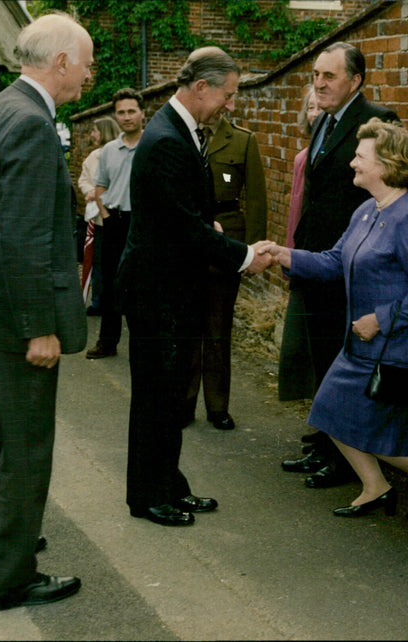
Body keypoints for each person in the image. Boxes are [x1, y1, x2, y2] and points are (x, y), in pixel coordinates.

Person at [0, 12, 92, 611]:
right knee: (28, 446)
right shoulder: (33, 123)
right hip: (15, 318)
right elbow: (26, 237)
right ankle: (9, 576)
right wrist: (40, 328)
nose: (88, 74)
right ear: (60, 62)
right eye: (84, 63)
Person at [268, 118, 408, 520]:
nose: (352, 162)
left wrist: (380, 320)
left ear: (386, 164)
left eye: (360, 156)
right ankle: (376, 486)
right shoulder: (366, 210)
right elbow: (335, 261)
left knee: (392, 441)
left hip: (398, 347)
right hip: (361, 345)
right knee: (329, 411)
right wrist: (284, 255)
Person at [119, 46, 273, 527]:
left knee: (167, 395)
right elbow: (181, 228)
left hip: (169, 284)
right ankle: (148, 496)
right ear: (201, 87)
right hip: (157, 290)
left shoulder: (177, 130)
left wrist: (210, 226)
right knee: (157, 397)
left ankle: (168, 484)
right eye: (228, 94)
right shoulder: (167, 138)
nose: (231, 104)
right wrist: (246, 255)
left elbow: (183, 213)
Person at [282, 42, 408, 490]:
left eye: (330, 76)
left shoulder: (377, 121)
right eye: (316, 75)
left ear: (355, 81)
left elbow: (402, 190)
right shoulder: (321, 121)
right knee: (323, 358)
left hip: (357, 266)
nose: (319, 83)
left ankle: (344, 462)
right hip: (323, 261)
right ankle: (326, 446)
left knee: (343, 368)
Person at [184, 113, 267, 430]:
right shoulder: (183, 134)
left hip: (227, 240)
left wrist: (254, 251)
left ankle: (217, 406)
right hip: (189, 238)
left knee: (218, 327)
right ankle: (184, 401)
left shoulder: (243, 140)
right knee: (189, 324)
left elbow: (256, 199)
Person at [85, 88, 144, 359]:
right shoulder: (109, 150)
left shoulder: (152, 145)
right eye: (121, 112)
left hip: (143, 225)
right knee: (109, 284)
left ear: (142, 113)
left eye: (131, 111)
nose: (126, 117)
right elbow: (99, 188)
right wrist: (107, 218)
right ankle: (107, 343)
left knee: (139, 285)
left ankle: (143, 345)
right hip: (114, 223)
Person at [277, 84, 320, 405]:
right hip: (301, 257)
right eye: (310, 108)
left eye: (320, 107)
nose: (315, 113)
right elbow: (294, 210)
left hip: (322, 260)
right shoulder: (302, 157)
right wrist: (288, 254)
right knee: (297, 345)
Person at [77, 116, 119, 314]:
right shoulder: (93, 156)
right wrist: (90, 191)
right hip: (99, 220)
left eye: (94, 130)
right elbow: (84, 180)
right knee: (97, 260)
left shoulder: (120, 152)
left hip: (118, 215)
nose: (92, 134)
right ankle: (97, 302)